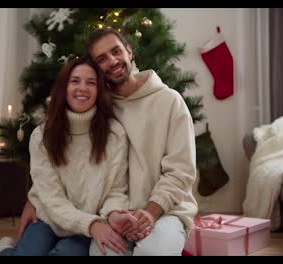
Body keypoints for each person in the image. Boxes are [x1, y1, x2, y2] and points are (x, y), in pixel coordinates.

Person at [17, 28, 198, 256]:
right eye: (101, 59)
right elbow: (66, 151)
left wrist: (151, 212)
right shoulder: (97, 106)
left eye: (116, 51)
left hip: (165, 211)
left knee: (152, 253)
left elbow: (181, 172)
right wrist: (34, 198)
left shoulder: (170, 102)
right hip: (114, 214)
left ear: (129, 52)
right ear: (96, 68)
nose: (112, 61)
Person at [0, 57, 137, 256]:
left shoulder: (115, 134)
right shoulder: (41, 135)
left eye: (91, 83)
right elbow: (51, 199)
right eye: (75, 81)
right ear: (63, 87)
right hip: (49, 217)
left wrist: (112, 215)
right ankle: (2, 250)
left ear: (99, 90)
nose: (82, 88)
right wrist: (91, 225)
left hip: (88, 224)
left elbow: (117, 191)